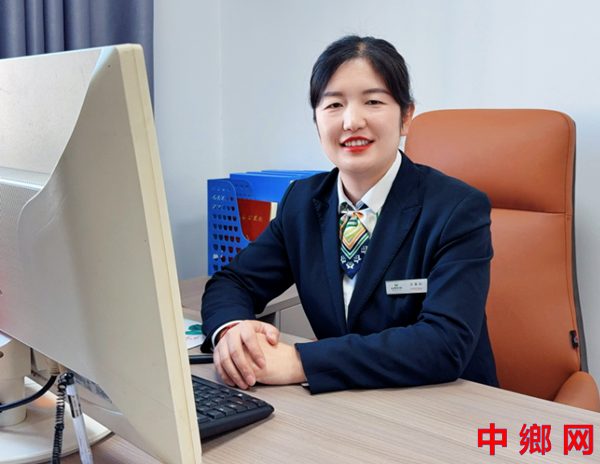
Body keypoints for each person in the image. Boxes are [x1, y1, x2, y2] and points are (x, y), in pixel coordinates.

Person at [200, 36, 498, 394]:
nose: (352, 121)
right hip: (343, 405)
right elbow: (233, 282)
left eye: (373, 101)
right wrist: (233, 333)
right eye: (334, 105)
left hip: (446, 405)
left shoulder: (457, 209)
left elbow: (444, 344)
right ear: (316, 120)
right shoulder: (302, 201)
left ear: (406, 116)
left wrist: (300, 361)